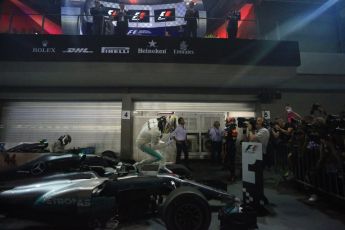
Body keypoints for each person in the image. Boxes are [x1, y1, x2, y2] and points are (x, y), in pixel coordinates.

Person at [223, 117, 238, 181]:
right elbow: (226, 137)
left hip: (231, 147)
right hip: (229, 146)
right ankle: (231, 174)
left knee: (231, 162)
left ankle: (233, 176)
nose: (226, 122)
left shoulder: (233, 128)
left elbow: (234, 139)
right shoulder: (228, 128)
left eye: (227, 121)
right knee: (229, 161)